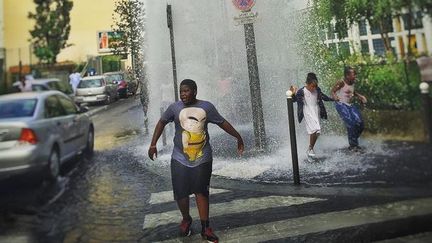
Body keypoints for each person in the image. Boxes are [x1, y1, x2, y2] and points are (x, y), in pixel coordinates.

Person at [148, 79, 244, 242]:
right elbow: (161, 122)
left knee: (201, 191)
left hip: (203, 157)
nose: (183, 94)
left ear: (194, 91)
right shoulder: (174, 108)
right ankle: (186, 218)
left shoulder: (207, 107)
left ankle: (206, 227)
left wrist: (238, 137)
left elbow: (222, 122)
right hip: (179, 157)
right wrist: (153, 144)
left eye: (186, 91)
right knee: (181, 194)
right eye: (181, 91)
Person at [290, 72, 333, 159]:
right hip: (307, 111)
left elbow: (324, 97)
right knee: (315, 129)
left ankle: (310, 148)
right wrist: (293, 92)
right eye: (312, 86)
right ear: (307, 84)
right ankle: (310, 148)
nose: (314, 88)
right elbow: (293, 100)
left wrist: (333, 99)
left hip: (316, 111)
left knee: (318, 132)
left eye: (315, 86)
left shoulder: (317, 90)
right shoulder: (302, 91)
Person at [331, 66, 367, 151]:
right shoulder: (341, 82)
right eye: (353, 74)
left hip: (350, 105)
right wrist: (335, 97)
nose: (355, 76)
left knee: (360, 124)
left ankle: (353, 139)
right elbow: (332, 91)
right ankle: (353, 145)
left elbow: (352, 91)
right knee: (351, 123)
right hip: (341, 104)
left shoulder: (352, 82)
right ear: (347, 76)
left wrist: (360, 96)